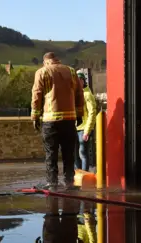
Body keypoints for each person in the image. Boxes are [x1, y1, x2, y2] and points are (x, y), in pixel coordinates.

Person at [31, 52, 84, 191]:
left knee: (51, 153)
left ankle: (52, 182)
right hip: (69, 120)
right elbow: (79, 93)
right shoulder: (71, 71)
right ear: (57, 60)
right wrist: (79, 114)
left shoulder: (42, 72)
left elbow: (37, 94)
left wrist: (35, 116)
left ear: (45, 62)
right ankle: (69, 182)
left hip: (50, 120)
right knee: (69, 153)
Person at [75, 71, 97, 172]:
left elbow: (92, 113)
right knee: (74, 154)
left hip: (84, 128)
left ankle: (84, 176)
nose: (78, 82)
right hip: (75, 128)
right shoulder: (73, 94)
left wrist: (87, 131)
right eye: (77, 80)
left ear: (84, 81)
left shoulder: (87, 94)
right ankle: (77, 176)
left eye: (80, 80)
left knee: (82, 152)